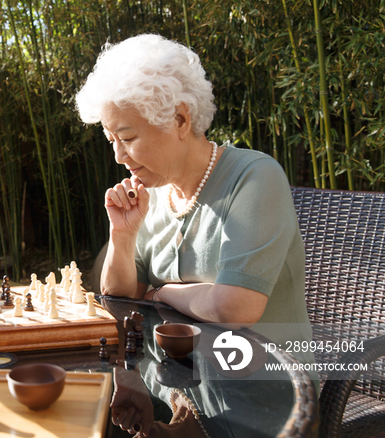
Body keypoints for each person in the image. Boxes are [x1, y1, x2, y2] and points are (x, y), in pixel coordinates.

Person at [76, 34, 317, 436]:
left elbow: (236, 306)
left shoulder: (254, 177)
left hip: (263, 393)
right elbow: (118, 298)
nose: (118, 155)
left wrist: (163, 292)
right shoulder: (152, 193)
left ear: (181, 120)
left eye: (129, 137)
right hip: (183, 383)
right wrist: (123, 234)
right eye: (111, 140)